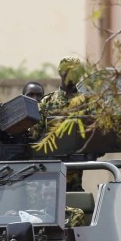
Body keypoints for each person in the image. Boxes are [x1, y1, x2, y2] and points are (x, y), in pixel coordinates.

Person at [38, 56, 87, 191]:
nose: (71, 76)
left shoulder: (87, 103)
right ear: (60, 72)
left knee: (74, 197)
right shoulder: (47, 102)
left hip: (76, 165)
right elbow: (35, 134)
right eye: (68, 71)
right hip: (51, 165)